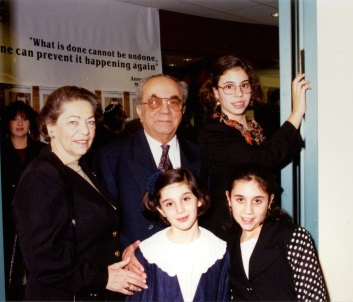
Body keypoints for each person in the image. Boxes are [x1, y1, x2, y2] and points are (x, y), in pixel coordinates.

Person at [12, 86, 147, 301]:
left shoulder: (80, 166)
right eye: (73, 122)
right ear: (51, 127)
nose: (85, 131)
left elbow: (86, 238)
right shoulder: (41, 178)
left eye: (90, 122)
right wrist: (103, 277)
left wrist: (122, 252)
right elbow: (43, 259)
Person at [198, 55, 310, 243]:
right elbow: (262, 159)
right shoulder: (213, 133)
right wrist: (297, 112)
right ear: (215, 93)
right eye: (229, 87)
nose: (239, 94)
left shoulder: (256, 127)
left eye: (244, 85)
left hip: (262, 223)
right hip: (230, 230)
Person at [94, 74, 201, 257]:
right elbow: (102, 224)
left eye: (173, 103)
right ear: (139, 111)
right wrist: (125, 252)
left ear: (182, 111)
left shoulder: (199, 154)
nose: (165, 110)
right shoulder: (111, 157)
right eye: (154, 102)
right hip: (138, 271)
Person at [225, 163, 327, 301]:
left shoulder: (293, 237)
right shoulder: (227, 248)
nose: (248, 210)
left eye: (257, 201)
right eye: (240, 200)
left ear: (270, 201)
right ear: (229, 198)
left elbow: (314, 298)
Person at [127, 168, 230, 302]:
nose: (179, 209)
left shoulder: (218, 251)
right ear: (161, 210)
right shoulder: (148, 253)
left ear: (199, 199)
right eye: (169, 204)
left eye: (185, 199)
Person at [0, 101, 46, 300]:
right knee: (5, 271)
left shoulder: (42, 151)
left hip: (38, 219)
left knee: (39, 271)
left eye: (24, 118)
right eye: (14, 118)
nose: (20, 123)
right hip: (5, 220)